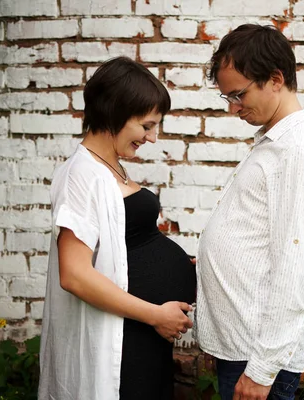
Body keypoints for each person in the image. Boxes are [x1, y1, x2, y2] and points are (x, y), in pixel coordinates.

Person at [38, 57, 196, 400]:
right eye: (146, 125)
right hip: (121, 339)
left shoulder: (110, 167)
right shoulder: (81, 175)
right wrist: (156, 314)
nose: (152, 138)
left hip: (138, 335)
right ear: (116, 112)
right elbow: (74, 275)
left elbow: (129, 244)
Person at [195, 24, 304, 400]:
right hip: (242, 347)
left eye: (239, 95)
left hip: (257, 359)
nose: (233, 108)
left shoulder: (298, 153)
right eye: (227, 97)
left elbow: (294, 266)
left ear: (275, 79)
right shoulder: (275, 145)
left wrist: (261, 370)